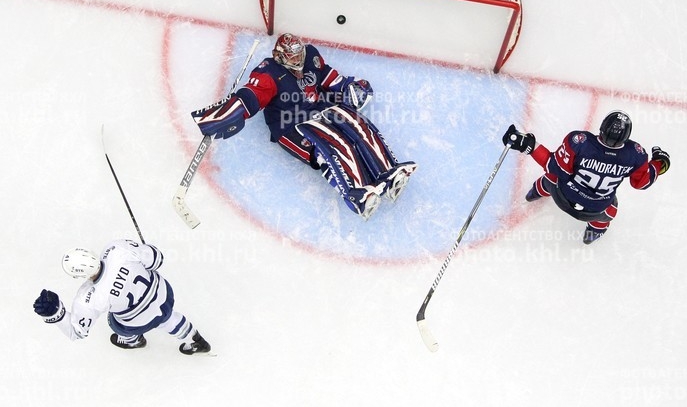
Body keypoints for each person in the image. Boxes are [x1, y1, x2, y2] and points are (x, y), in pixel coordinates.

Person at [190, 33, 417, 220]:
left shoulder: (310, 57)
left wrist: (347, 88)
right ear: (280, 57)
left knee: (359, 126)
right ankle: (357, 194)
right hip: (290, 125)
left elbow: (327, 77)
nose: (298, 61)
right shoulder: (267, 73)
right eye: (293, 58)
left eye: (300, 55)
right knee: (333, 147)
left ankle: (388, 171)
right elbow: (249, 97)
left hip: (320, 109)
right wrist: (224, 115)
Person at [503, 110, 670, 244]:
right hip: (595, 211)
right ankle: (593, 234)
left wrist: (528, 145)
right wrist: (659, 163)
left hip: (562, 197)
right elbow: (642, 183)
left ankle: (534, 193)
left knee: (551, 177)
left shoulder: (580, 141)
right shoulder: (635, 154)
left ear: (602, 127)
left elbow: (552, 165)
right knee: (611, 209)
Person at [33, 239, 211, 355]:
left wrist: (56, 314)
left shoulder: (87, 298)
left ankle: (133, 341)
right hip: (165, 294)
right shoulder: (116, 249)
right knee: (166, 316)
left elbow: (77, 333)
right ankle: (195, 340)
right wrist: (147, 252)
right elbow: (157, 260)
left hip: (140, 322)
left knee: (114, 322)